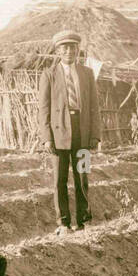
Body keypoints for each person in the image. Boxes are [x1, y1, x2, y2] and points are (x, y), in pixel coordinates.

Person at [37, 28, 101, 234]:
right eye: (64, 48)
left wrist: (95, 135)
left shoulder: (87, 73)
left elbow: (94, 107)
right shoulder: (49, 75)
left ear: (77, 49)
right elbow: (43, 108)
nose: (69, 51)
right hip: (59, 135)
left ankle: (84, 220)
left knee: (82, 177)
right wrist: (47, 138)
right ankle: (63, 223)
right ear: (57, 51)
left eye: (73, 47)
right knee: (59, 180)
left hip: (82, 133)